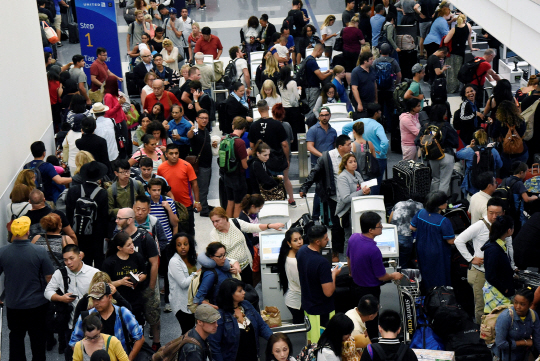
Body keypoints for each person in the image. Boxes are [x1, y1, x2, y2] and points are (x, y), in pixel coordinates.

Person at [0, 216, 55, 361]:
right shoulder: (39, 251)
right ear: (28, 231)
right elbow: (49, 277)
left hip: (13, 305)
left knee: (16, 338)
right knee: (37, 340)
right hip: (37, 305)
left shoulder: (2, 252)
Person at [455, 197, 515, 324]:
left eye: (497, 213)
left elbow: (509, 247)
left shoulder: (503, 225)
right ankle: (481, 334)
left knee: (497, 307)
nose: (493, 216)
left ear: (503, 213)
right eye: (490, 212)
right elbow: (458, 240)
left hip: (498, 274)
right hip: (481, 273)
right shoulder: (479, 225)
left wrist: (512, 266)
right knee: (481, 307)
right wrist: (471, 259)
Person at [347, 212, 403, 338]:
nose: (382, 227)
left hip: (355, 286)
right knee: (371, 320)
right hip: (370, 290)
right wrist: (393, 275)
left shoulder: (353, 238)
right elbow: (381, 276)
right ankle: (370, 344)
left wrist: (351, 272)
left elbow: (349, 258)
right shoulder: (373, 250)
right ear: (371, 230)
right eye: (379, 226)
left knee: (358, 316)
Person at [300, 135, 352, 260]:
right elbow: (315, 172)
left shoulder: (351, 157)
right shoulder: (327, 157)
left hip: (350, 196)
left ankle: (350, 251)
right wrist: (305, 187)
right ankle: (336, 253)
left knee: (350, 224)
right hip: (334, 197)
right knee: (336, 225)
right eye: (348, 144)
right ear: (340, 146)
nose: (351, 146)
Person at [45, 244, 99, 354]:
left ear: (80, 256)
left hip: (91, 322)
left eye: (71, 258)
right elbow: (47, 291)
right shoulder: (60, 273)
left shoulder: (94, 273)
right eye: (65, 260)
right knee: (72, 353)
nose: (68, 263)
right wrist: (60, 298)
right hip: (70, 323)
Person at [69, 282, 145, 358]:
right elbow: (74, 342)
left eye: (100, 298)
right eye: (93, 299)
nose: (96, 302)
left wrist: (128, 359)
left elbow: (140, 338)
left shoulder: (123, 313)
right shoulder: (85, 317)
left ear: (110, 297)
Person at [209, 207, 284, 285]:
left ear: (225, 218)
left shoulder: (235, 222)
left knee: (249, 290)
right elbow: (217, 255)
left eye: (217, 221)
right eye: (213, 222)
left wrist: (270, 226)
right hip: (231, 270)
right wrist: (234, 263)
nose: (215, 224)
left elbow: (251, 227)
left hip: (246, 266)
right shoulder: (214, 234)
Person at [207, 278, 273, 361]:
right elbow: (215, 345)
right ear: (230, 294)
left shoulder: (247, 305)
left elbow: (262, 326)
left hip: (252, 357)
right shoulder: (220, 316)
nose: (244, 292)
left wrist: (274, 340)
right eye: (240, 291)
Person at [296, 225, 342, 343]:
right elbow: (328, 292)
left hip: (308, 305)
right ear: (318, 241)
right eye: (326, 238)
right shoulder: (322, 263)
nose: (328, 240)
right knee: (323, 343)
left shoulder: (302, 251)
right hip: (321, 311)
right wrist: (334, 274)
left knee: (311, 340)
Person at [410, 191, 455, 290]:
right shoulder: (443, 221)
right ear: (441, 206)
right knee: (439, 276)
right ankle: (440, 296)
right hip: (437, 253)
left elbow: (412, 227)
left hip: (421, 249)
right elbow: (450, 241)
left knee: (425, 273)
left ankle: (427, 296)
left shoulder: (421, 213)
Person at [102, 231, 147, 326]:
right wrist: (121, 282)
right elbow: (104, 284)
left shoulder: (137, 257)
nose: (132, 247)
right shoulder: (109, 262)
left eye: (132, 243)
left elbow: (145, 274)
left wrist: (139, 278)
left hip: (136, 298)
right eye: (128, 245)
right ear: (119, 248)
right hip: (118, 300)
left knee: (138, 325)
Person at [342, 104, 388, 195]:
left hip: (360, 156)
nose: (381, 113)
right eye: (379, 111)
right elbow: (385, 142)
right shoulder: (377, 126)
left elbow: (344, 128)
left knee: (361, 182)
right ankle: (373, 203)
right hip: (377, 158)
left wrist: (348, 141)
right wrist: (382, 153)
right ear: (375, 113)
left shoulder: (359, 122)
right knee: (375, 184)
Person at [415, 104, 459, 195]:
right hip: (446, 154)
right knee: (444, 181)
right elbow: (455, 143)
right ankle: (440, 203)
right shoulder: (446, 125)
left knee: (435, 179)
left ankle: (433, 200)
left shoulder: (426, 126)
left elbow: (417, 141)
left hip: (432, 156)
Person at [157, 144, 202, 234]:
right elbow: (159, 186)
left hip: (186, 205)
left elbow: (194, 184)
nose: (174, 156)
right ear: (166, 155)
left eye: (176, 153)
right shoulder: (161, 168)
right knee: (172, 230)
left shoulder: (187, 166)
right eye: (171, 153)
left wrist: (197, 202)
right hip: (169, 205)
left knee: (188, 231)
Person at [305, 107, 337, 221]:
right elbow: (309, 147)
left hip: (330, 163)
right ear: (319, 116)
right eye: (322, 115)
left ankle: (327, 216)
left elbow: (334, 147)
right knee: (319, 190)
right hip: (317, 164)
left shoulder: (333, 131)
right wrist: (323, 156)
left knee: (329, 189)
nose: (324, 117)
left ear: (330, 115)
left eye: (326, 115)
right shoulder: (313, 130)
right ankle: (315, 216)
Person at [493, 287, 540, 361]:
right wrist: (524, 342)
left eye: (522, 304)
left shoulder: (533, 316)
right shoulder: (505, 317)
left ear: (530, 304)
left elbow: (537, 339)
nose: (518, 307)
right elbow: (500, 343)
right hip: (506, 356)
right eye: (515, 302)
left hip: (523, 355)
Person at [482, 215, 516, 314]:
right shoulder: (494, 249)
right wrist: (504, 289)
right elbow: (490, 275)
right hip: (496, 293)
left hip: (497, 291)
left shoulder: (496, 245)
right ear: (509, 230)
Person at [167, 232, 199, 333]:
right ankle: (183, 348)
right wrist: (197, 273)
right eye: (179, 245)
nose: (183, 247)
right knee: (187, 332)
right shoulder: (174, 261)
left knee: (194, 331)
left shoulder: (193, 257)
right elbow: (183, 283)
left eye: (185, 244)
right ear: (175, 247)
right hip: (181, 303)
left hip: (193, 301)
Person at [336, 153, 371, 244]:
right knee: (350, 238)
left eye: (355, 161)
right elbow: (346, 198)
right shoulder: (342, 177)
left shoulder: (357, 174)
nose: (354, 163)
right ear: (345, 165)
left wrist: (367, 191)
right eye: (350, 162)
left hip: (359, 208)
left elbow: (363, 187)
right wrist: (362, 192)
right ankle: (348, 257)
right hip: (348, 211)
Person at [187, 109, 216, 217]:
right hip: (200, 165)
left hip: (208, 164)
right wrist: (191, 130)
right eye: (202, 118)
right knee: (202, 188)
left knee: (206, 186)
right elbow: (189, 136)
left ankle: (205, 204)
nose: (204, 120)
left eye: (206, 118)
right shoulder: (195, 131)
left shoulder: (206, 131)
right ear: (197, 119)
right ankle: (203, 209)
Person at [193, 242, 240, 308]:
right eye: (220, 256)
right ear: (211, 257)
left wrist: (235, 272)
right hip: (222, 309)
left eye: (224, 254)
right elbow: (198, 299)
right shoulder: (210, 274)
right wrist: (216, 308)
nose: (224, 258)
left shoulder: (224, 267)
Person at [457, 129, 502, 197]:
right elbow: (500, 164)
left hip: (473, 185)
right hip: (489, 183)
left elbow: (458, 154)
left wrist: (469, 146)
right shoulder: (493, 151)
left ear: (475, 140)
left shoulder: (470, 151)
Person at [220, 117, 250, 217]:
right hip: (238, 177)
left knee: (230, 201)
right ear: (244, 128)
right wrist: (248, 155)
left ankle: (228, 225)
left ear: (233, 126)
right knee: (239, 203)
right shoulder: (240, 142)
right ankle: (236, 227)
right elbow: (245, 165)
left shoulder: (225, 138)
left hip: (227, 175)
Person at [444, 14, 479, 93]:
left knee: (452, 71)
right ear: (464, 20)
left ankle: (451, 89)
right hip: (461, 52)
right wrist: (471, 48)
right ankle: (460, 88)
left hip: (453, 52)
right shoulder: (468, 27)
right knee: (460, 70)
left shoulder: (454, 29)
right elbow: (469, 39)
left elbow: (445, 41)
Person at [276, 228, 304, 324]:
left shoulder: (292, 253)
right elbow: (301, 283)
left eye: (300, 238)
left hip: (294, 298)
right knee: (300, 327)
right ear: (289, 243)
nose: (299, 242)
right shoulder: (293, 261)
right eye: (295, 240)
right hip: (296, 301)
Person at [494, 101, 528, 178]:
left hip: (507, 153)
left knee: (505, 175)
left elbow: (494, 134)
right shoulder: (521, 121)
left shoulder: (500, 122)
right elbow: (523, 133)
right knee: (520, 175)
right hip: (521, 152)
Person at [388, 194, 425, 268]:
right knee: (403, 263)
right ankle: (402, 276)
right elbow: (422, 223)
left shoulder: (398, 204)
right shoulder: (420, 206)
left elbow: (390, 220)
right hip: (405, 236)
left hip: (392, 235)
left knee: (392, 261)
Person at [373, 43, 402, 129]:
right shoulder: (393, 61)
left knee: (379, 109)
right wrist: (395, 83)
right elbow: (399, 75)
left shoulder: (376, 61)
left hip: (379, 90)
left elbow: (372, 75)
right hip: (390, 89)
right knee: (390, 110)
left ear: (380, 51)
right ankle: (391, 127)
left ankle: (381, 126)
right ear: (390, 51)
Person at [303, 43, 333, 119]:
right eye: (322, 52)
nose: (322, 54)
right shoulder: (312, 62)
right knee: (312, 109)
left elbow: (315, 74)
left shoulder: (308, 59)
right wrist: (330, 73)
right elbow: (321, 77)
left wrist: (326, 72)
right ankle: (309, 126)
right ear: (319, 50)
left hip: (308, 88)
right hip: (313, 89)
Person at [278, 66, 303, 148]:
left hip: (284, 109)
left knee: (287, 130)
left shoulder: (279, 83)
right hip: (294, 109)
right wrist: (299, 91)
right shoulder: (293, 83)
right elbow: (297, 97)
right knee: (295, 129)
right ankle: (296, 147)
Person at [342, 16, 366, 84]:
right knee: (355, 67)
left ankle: (349, 85)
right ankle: (356, 83)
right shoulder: (357, 31)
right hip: (355, 51)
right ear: (356, 22)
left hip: (346, 50)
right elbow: (363, 42)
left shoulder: (344, 30)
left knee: (348, 69)